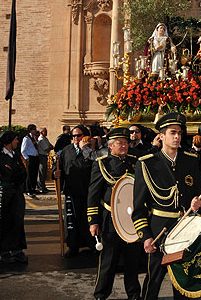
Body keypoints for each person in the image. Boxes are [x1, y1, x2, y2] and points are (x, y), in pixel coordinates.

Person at [132, 112, 201, 300]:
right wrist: (146, 237)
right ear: (161, 136)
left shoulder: (190, 160)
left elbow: (199, 192)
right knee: (154, 280)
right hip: (159, 230)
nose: (177, 137)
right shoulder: (147, 164)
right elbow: (138, 207)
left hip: (184, 229)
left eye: (179, 133)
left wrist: (197, 204)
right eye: (172, 133)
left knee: (183, 280)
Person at [88, 127, 141, 300]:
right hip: (110, 220)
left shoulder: (135, 162)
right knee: (108, 261)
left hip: (132, 220)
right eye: (120, 143)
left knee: (132, 261)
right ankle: (101, 294)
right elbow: (93, 194)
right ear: (110, 146)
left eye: (126, 142)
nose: (124, 146)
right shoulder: (102, 163)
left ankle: (134, 294)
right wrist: (93, 221)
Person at [0, 131, 28, 263]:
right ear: (8, 142)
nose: (17, 142)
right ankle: (3, 250)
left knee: (16, 221)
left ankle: (16, 249)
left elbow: (22, 173)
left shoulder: (15, 155)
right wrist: (14, 173)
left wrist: (15, 172)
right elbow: (4, 174)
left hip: (15, 193)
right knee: (3, 222)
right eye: (15, 140)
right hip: (4, 194)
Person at [53, 125, 94, 257]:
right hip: (71, 190)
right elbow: (59, 167)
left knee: (87, 219)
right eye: (73, 136)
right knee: (72, 221)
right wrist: (56, 173)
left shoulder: (91, 150)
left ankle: (92, 244)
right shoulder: (66, 150)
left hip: (87, 191)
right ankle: (73, 246)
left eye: (79, 135)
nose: (76, 138)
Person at [21, 124, 40, 195]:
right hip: (30, 157)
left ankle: (33, 188)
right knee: (29, 174)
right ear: (30, 130)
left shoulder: (34, 138)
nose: (35, 130)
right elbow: (23, 149)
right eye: (34, 129)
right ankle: (28, 189)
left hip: (35, 157)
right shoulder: (26, 138)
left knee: (35, 173)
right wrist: (26, 158)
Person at [36, 127, 53, 194]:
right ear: (42, 132)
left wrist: (50, 147)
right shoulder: (41, 139)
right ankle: (40, 186)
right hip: (42, 156)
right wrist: (50, 147)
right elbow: (46, 148)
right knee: (41, 171)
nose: (46, 132)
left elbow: (51, 146)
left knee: (44, 171)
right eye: (45, 131)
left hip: (45, 156)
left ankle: (43, 186)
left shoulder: (45, 138)